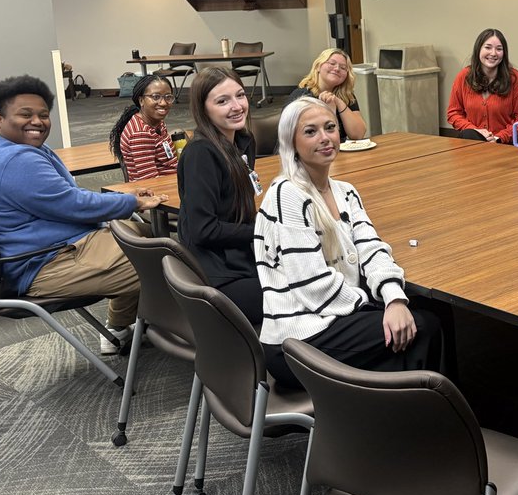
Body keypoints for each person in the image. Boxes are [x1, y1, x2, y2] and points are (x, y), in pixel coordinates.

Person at [257, 96, 443, 390]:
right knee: (423, 327)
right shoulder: (287, 194)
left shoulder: (346, 191)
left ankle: (402, 409)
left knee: (422, 309)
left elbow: (372, 249)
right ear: (291, 142)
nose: (325, 137)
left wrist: (394, 299)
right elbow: (312, 286)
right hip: (296, 339)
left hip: (332, 318)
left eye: (330, 128)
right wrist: (374, 306)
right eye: (310, 131)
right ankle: (422, 412)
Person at [0, 75, 166, 354]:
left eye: (43, 115)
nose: (37, 121)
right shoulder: (17, 160)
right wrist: (130, 202)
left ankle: (118, 329)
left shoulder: (14, 150)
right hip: (44, 262)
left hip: (56, 246)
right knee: (166, 260)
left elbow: (65, 198)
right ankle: (186, 334)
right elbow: (73, 204)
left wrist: (125, 200)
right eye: (25, 115)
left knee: (149, 235)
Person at [177, 67, 263, 324]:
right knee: (301, 294)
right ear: (204, 109)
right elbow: (203, 230)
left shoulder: (242, 142)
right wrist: (262, 230)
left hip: (241, 257)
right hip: (217, 273)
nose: (237, 106)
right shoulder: (201, 153)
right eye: (222, 101)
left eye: (240, 95)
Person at [447, 28, 518, 143]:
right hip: (472, 141)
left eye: (499, 49)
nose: (493, 53)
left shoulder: (515, 78)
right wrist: (476, 131)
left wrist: (498, 138)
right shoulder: (463, 77)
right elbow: (453, 113)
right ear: (478, 49)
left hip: (504, 145)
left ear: (504, 53)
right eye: (488, 47)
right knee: (468, 135)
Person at [107, 75, 179, 181]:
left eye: (168, 97)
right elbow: (151, 181)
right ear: (141, 100)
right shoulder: (140, 134)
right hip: (162, 188)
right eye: (156, 97)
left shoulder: (157, 122)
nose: (163, 103)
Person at [288, 47, 366, 142]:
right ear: (318, 66)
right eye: (332, 63)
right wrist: (330, 111)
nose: (337, 69)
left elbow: (358, 135)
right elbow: (298, 137)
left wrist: (338, 102)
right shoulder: (301, 96)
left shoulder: (347, 96)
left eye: (343, 68)